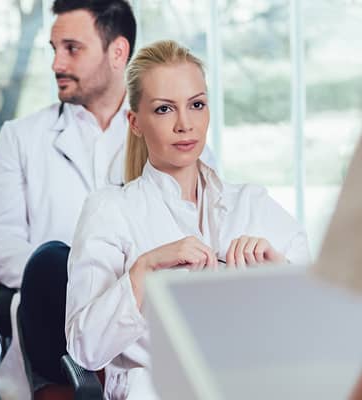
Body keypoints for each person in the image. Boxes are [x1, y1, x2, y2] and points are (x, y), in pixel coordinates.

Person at [64, 40, 310, 399]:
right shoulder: (110, 211)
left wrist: (280, 272)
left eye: (196, 105)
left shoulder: (252, 204)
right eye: (164, 109)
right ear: (135, 122)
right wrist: (144, 271)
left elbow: (320, 327)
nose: (185, 124)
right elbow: (86, 349)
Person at [0, 0, 152, 395]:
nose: (57, 63)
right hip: (50, 338)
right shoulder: (20, 139)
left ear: (118, 52)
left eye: (73, 48)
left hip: (142, 333)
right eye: (54, 49)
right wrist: (75, 283)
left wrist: (117, 294)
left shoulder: (167, 134)